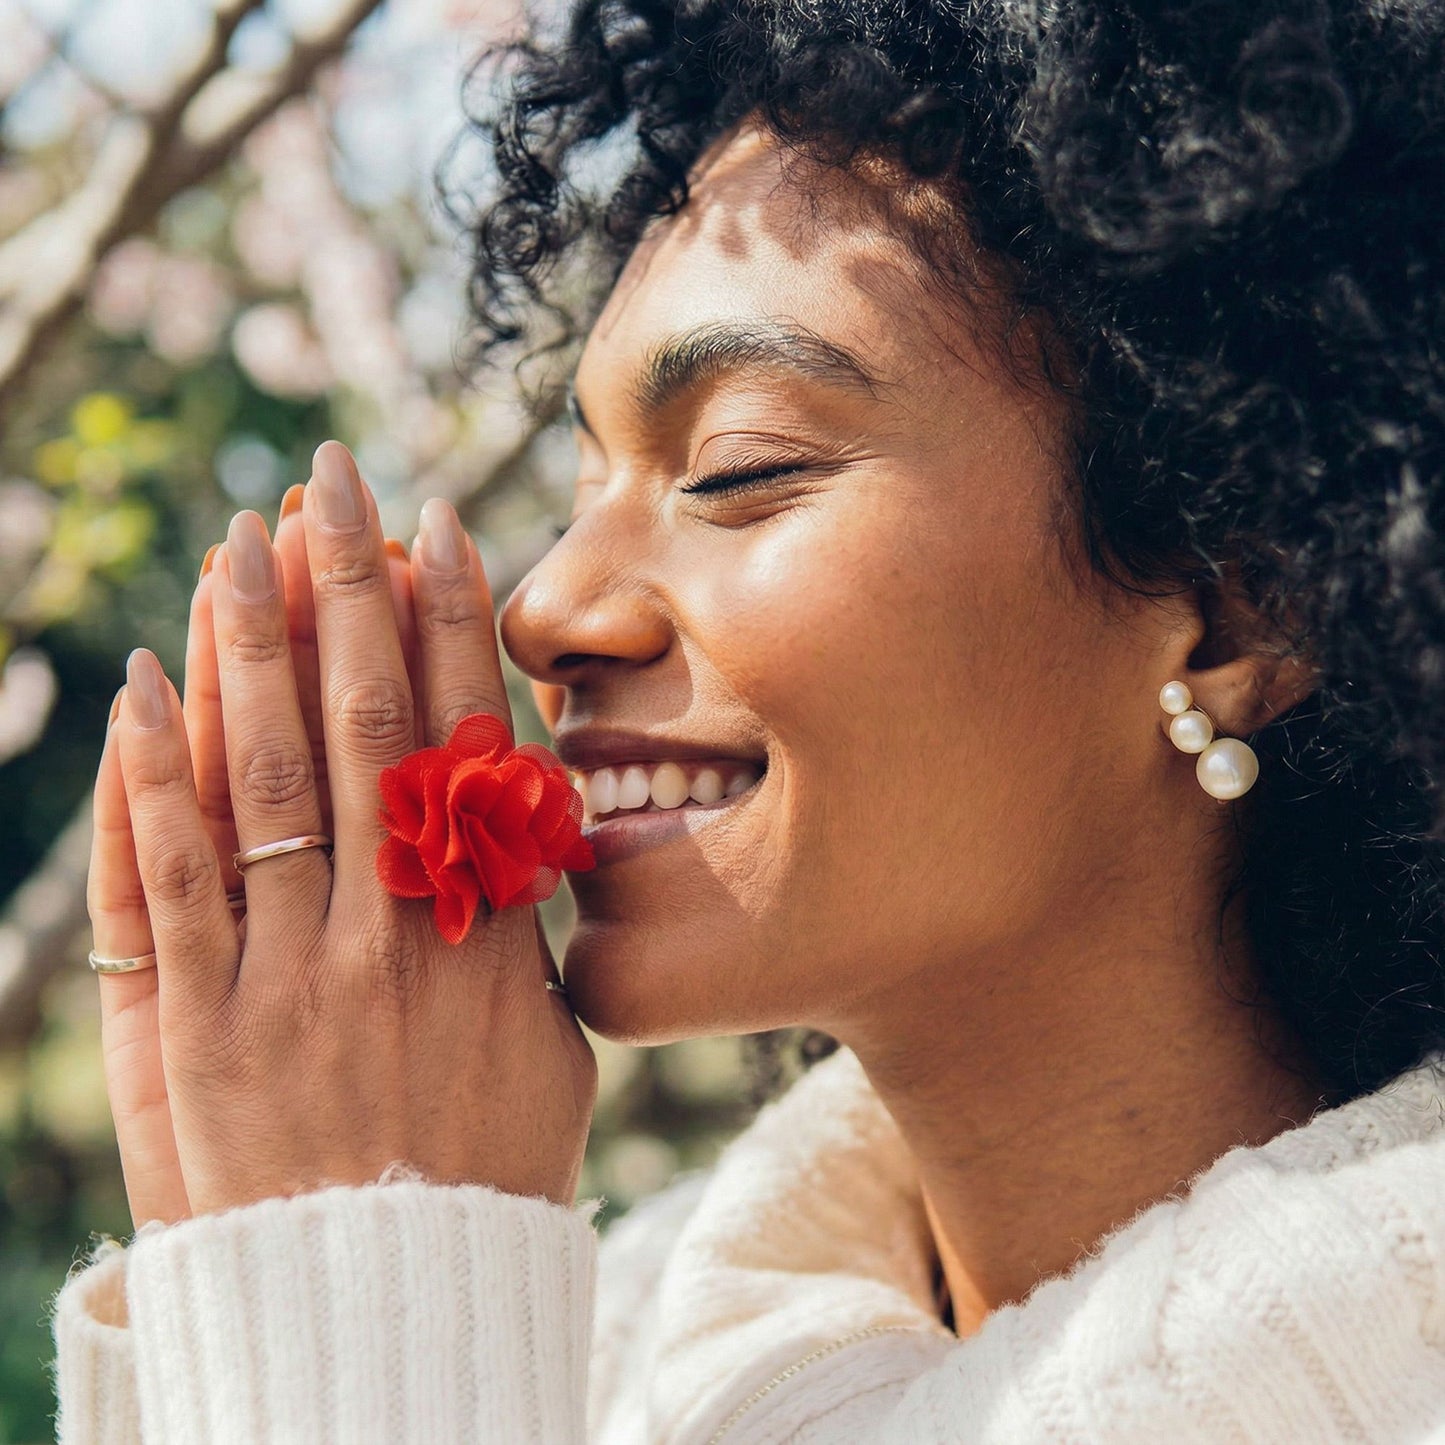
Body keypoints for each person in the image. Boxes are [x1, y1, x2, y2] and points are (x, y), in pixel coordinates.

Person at [49, 0, 1445, 1440]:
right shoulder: (602, 1353)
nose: (546, 610)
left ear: (1234, 605)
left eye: (734, 468)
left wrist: (360, 1321)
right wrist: (288, 1267)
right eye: (585, 485)